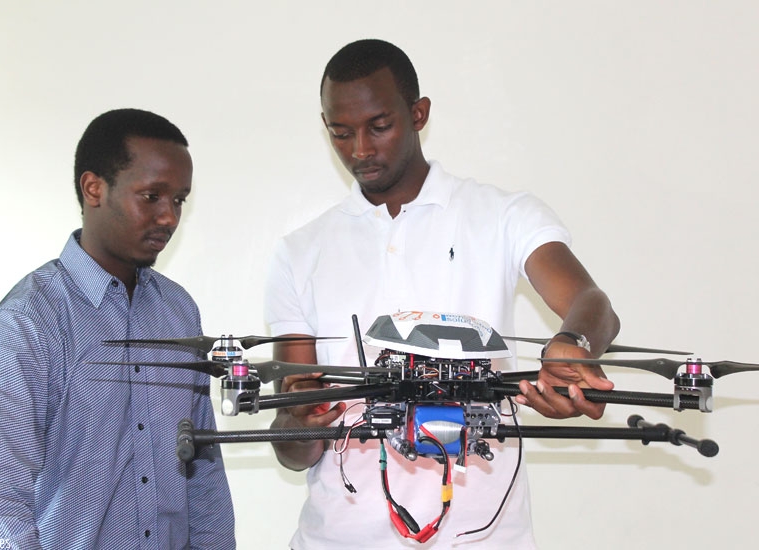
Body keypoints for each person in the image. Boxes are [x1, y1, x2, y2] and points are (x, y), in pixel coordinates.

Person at [264, 39, 620, 548]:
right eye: (341, 133)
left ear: (419, 114)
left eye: (379, 126)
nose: (360, 149)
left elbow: (592, 304)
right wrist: (298, 421)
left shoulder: (503, 216)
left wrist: (573, 343)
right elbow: (294, 451)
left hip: (483, 539)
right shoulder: (300, 253)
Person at [0, 109, 236, 549]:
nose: (169, 217)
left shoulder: (179, 312)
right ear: (94, 189)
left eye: (179, 200)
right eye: (152, 196)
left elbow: (203, 468)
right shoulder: (29, 322)